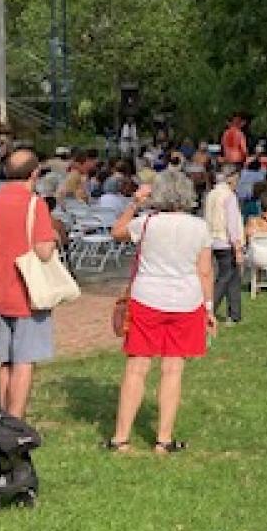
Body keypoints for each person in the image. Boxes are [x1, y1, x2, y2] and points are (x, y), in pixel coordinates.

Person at [105, 170, 216, 454]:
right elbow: (204, 272)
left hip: (147, 298)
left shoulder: (146, 223)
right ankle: (164, 439)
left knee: (137, 367)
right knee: (173, 369)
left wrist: (134, 203)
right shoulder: (199, 227)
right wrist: (208, 308)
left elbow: (117, 232)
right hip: (186, 301)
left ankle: (121, 438)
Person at [0, 149, 59, 419]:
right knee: (24, 361)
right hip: (27, 292)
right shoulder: (35, 204)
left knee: (5, 362)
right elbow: (44, 251)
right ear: (35, 173)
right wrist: (55, 237)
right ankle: (16, 421)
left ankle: (2, 415)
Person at [203, 165, 246, 324]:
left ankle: (235, 314)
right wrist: (238, 247)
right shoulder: (229, 196)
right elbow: (232, 224)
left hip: (213, 239)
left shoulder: (211, 194)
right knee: (225, 277)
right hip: (226, 240)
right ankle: (209, 310)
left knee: (233, 278)